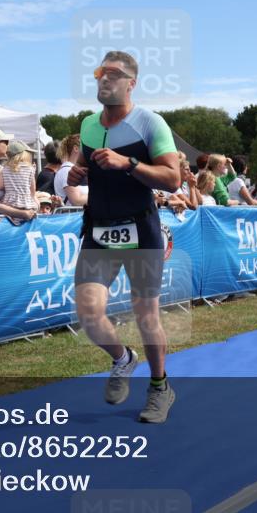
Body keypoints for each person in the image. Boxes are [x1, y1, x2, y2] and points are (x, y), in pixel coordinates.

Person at [67, 50, 180, 424]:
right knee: (88, 312)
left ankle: (160, 387)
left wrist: (128, 163)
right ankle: (122, 358)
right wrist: (78, 174)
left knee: (146, 315)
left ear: (131, 83)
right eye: (101, 73)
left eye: (114, 75)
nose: (104, 80)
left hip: (139, 226)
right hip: (99, 226)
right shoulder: (86, 125)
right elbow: (84, 164)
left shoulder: (151, 123)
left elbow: (172, 179)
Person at [0, 140, 38, 223]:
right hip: (27, 203)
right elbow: (33, 190)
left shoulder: (4, 169)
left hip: (10, 203)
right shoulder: (30, 169)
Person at [53, 134, 88, 206]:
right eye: (85, 148)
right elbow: (77, 201)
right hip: (76, 216)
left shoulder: (67, 169)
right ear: (76, 148)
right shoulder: (67, 170)